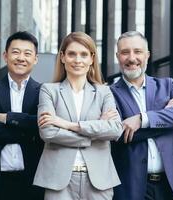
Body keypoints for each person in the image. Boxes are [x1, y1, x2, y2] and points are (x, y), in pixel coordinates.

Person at [33, 32, 123, 200]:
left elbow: (115, 130)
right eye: (72, 54)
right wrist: (94, 132)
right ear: (62, 57)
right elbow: (48, 132)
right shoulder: (49, 90)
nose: (77, 60)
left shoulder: (104, 92)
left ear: (91, 58)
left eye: (84, 54)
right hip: (58, 181)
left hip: (98, 180)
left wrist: (67, 124)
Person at [110, 31, 173, 200]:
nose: (131, 58)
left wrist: (142, 119)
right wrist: (166, 117)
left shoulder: (167, 85)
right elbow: (119, 134)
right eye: (125, 52)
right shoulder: (109, 94)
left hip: (170, 183)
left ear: (147, 55)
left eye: (138, 51)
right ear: (118, 56)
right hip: (130, 185)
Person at [0, 31, 44, 200]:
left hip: (32, 181)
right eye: (16, 52)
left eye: (27, 53)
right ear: (5, 55)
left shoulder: (44, 92)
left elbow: (44, 126)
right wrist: (28, 132)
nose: (21, 58)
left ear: (35, 59)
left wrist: (8, 118)